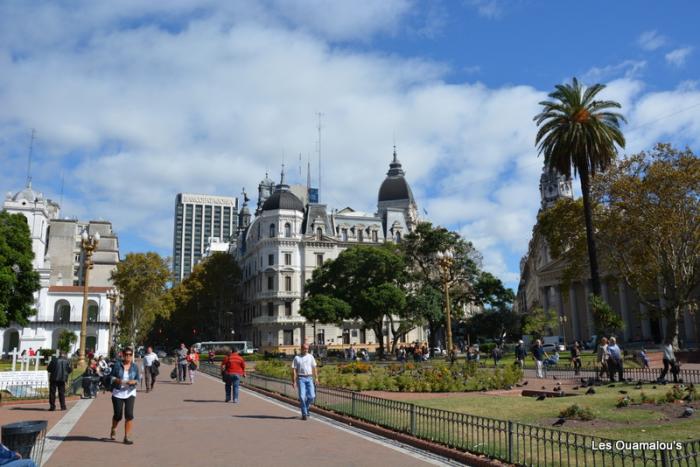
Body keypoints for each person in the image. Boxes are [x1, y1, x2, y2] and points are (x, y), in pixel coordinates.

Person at [109, 347, 140, 445]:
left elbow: (138, 379)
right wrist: (120, 381)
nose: (128, 356)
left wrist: (134, 381)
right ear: (123, 355)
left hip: (130, 392)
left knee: (129, 415)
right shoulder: (117, 365)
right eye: (126, 354)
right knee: (118, 415)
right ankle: (113, 428)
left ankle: (127, 437)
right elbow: (111, 377)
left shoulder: (135, 366)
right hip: (118, 393)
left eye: (130, 354)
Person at [291, 343, 318, 420]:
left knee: (312, 396)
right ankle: (304, 414)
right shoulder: (297, 358)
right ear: (301, 349)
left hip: (309, 378)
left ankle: (305, 408)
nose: (306, 350)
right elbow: (294, 370)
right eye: (304, 349)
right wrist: (294, 381)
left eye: (307, 349)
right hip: (301, 378)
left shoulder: (311, 357)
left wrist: (316, 378)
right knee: (302, 397)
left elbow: (314, 368)